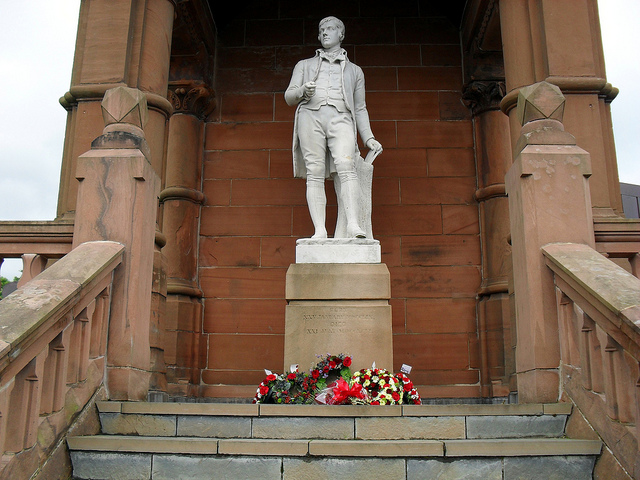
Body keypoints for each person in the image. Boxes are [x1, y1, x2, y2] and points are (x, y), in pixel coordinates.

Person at [285, 16, 382, 239]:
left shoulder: (355, 71)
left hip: (341, 118)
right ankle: (320, 230)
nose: (325, 33)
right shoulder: (304, 65)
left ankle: (353, 225)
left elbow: (360, 107)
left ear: (341, 34)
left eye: (330, 29)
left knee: (347, 168)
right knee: (315, 172)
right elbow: (289, 96)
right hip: (310, 117)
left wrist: (368, 137)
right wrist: (302, 92)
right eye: (322, 30)